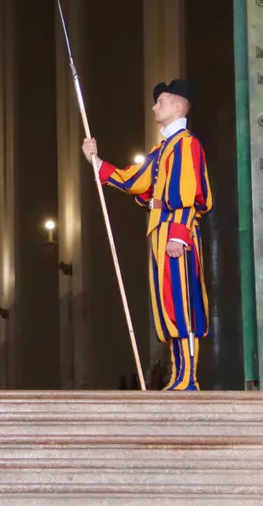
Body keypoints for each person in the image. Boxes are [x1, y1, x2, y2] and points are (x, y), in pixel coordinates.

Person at [82, 79, 212, 391]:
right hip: (160, 232)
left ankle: (187, 377)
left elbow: (188, 193)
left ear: (179, 107)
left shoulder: (185, 145)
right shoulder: (163, 148)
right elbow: (135, 181)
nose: (155, 107)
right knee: (168, 305)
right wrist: (96, 160)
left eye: (162, 102)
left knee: (182, 304)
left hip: (175, 232)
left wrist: (179, 235)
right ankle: (178, 373)